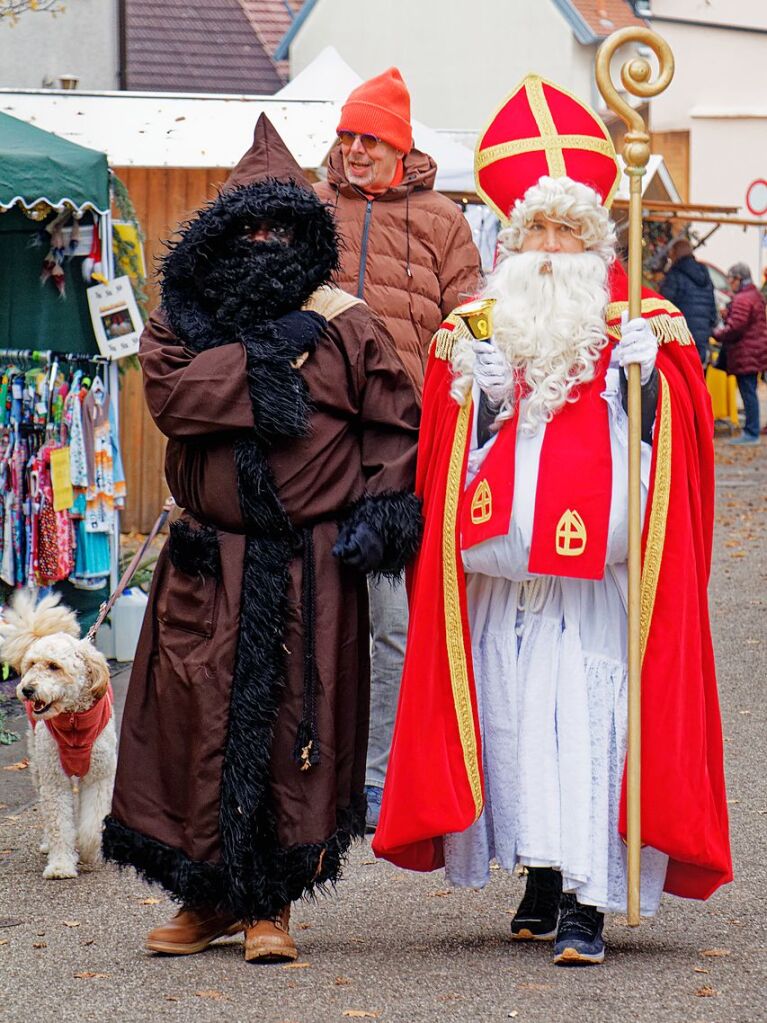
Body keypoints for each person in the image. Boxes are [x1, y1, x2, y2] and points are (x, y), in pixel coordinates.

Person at [373, 75, 732, 967]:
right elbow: (450, 453)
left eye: (565, 228)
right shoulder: (480, 324)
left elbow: (680, 453)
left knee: (585, 717)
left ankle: (587, 899)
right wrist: (478, 397)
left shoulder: (640, 322)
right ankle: (540, 872)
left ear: (593, 240)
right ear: (511, 236)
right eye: (533, 227)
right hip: (507, 574)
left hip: (597, 581)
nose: (547, 244)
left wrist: (652, 388)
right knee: (512, 716)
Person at [103, 116, 422, 963]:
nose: (262, 242)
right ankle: (204, 898)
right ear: (220, 234)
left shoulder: (344, 320)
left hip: (306, 561)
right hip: (210, 557)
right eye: (246, 227)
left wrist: (378, 517)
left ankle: (271, 906)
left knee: (294, 725)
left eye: (279, 228)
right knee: (191, 720)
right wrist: (262, 359)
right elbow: (171, 397)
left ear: (302, 232)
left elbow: (393, 419)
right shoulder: (184, 316)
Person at [315, 67, 481, 830]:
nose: (354, 149)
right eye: (347, 135)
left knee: (390, 617)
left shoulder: (442, 218)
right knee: (311, 612)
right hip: (312, 441)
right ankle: (317, 776)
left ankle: (380, 780)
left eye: (369, 137)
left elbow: (473, 324)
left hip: (400, 448)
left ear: (399, 145)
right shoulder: (311, 210)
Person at [713, 261, 767, 444]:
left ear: (738, 279)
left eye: (730, 279)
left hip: (746, 352)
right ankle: (751, 430)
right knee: (749, 389)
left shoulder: (743, 298)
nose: (729, 283)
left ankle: (751, 433)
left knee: (748, 391)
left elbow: (736, 326)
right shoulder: (754, 295)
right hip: (754, 350)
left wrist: (717, 333)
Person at [659, 238, 718, 364]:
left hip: (682, 337)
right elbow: (713, 307)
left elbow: (663, 305)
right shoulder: (704, 273)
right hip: (702, 338)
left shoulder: (675, 274)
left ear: (675, 253)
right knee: (699, 376)